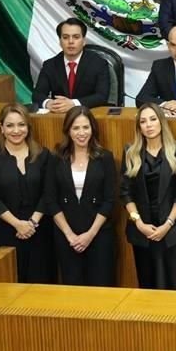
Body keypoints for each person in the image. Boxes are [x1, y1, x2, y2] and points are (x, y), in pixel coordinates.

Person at [0, 103, 56, 283]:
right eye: (10, 125)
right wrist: (18, 225)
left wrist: (32, 223)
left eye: (21, 125)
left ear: (28, 127)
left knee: (43, 284)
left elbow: (48, 192)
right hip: (7, 231)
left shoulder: (42, 154)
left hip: (39, 230)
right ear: (1, 128)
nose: (16, 130)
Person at [119, 103, 176, 290]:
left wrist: (168, 224)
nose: (148, 125)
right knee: (148, 289)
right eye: (143, 121)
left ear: (161, 122)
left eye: (153, 119)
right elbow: (126, 192)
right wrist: (139, 223)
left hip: (172, 230)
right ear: (139, 127)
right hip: (143, 232)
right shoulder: (131, 152)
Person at [45, 106, 116, 286]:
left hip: (99, 234)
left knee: (101, 289)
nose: (81, 133)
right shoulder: (56, 158)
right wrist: (70, 235)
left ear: (93, 129)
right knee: (72, 289)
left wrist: (90, 235)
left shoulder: (105, 158)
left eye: (86, 127)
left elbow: (109, 201)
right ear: (68, 130)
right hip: (66, 235)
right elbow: (51, 201)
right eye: (76, 128)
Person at [32, 18, 110, 112]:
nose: (71, 41)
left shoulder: (99, 63)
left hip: (88, 115)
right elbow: (37, 95)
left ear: (84, 41)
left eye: (76, 37)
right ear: (60, 41)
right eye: (65, 37)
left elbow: (101, 96)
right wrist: (48, 103)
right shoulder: (50, 65)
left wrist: (73, 103)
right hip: (59, 117)